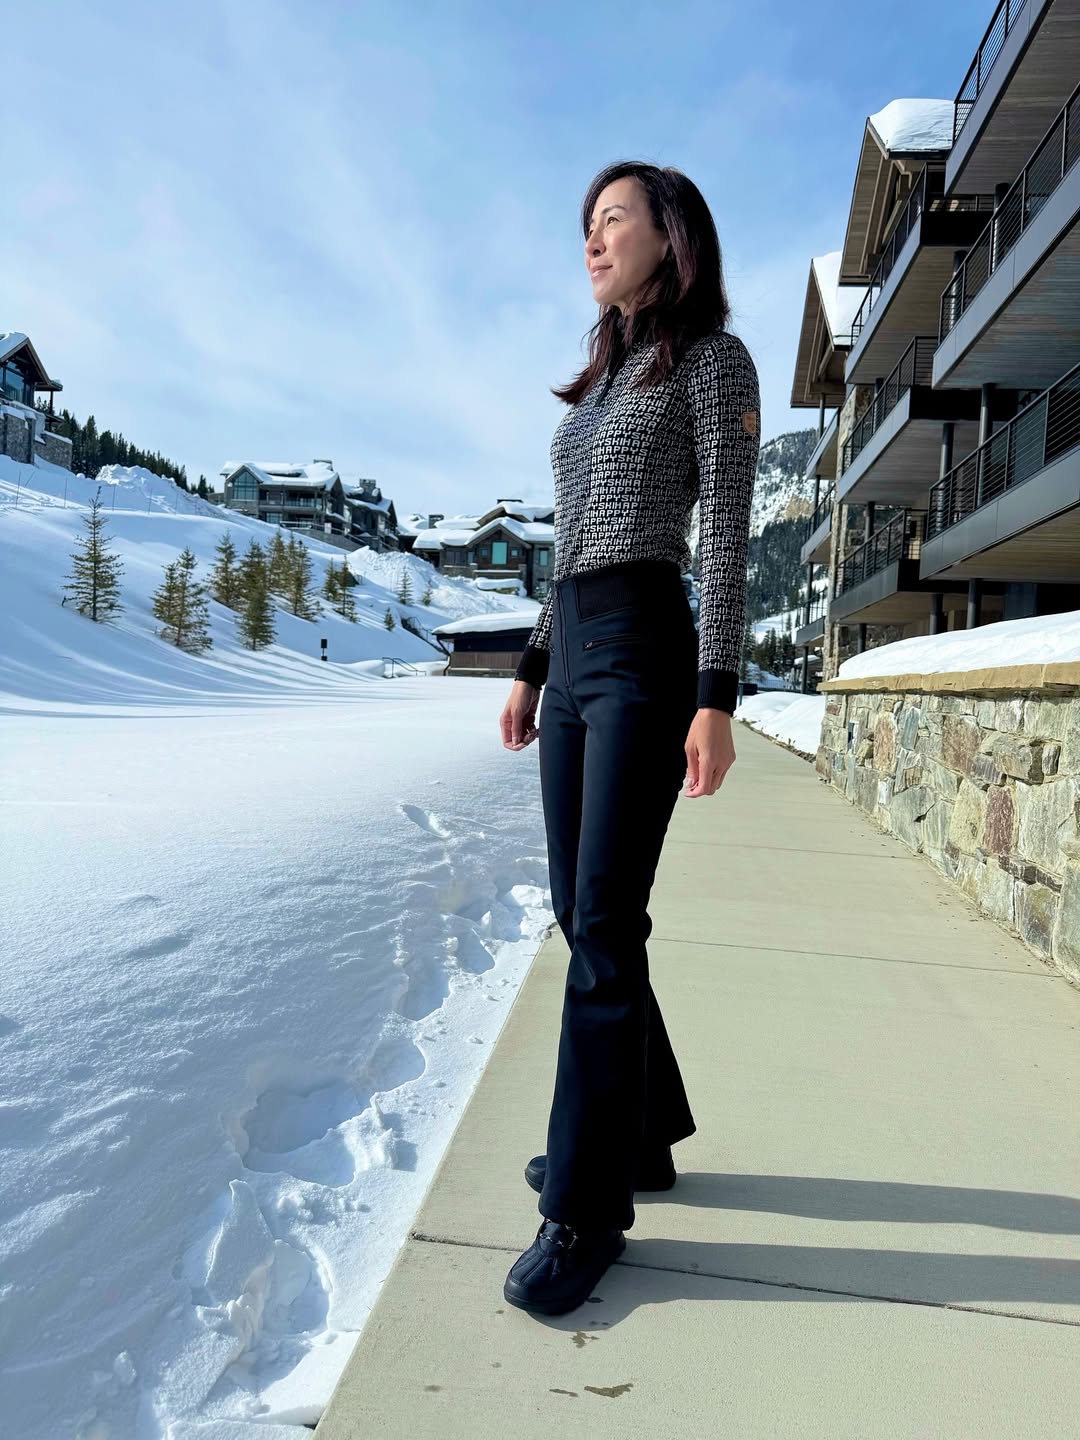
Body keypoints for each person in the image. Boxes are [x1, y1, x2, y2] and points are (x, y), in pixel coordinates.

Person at [497, 160, 761, 1316]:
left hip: (652, 651)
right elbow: (570, 540)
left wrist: (719, 694)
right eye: (585, 225)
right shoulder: (601, 384)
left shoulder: (713, 362)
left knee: (605, 921)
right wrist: (532, 665)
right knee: (579, 913)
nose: (593, 242)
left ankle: (588, 1209)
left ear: (673, 233)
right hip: (578, 657)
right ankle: (638, 1133)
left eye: (614, 220)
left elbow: (730, 533)